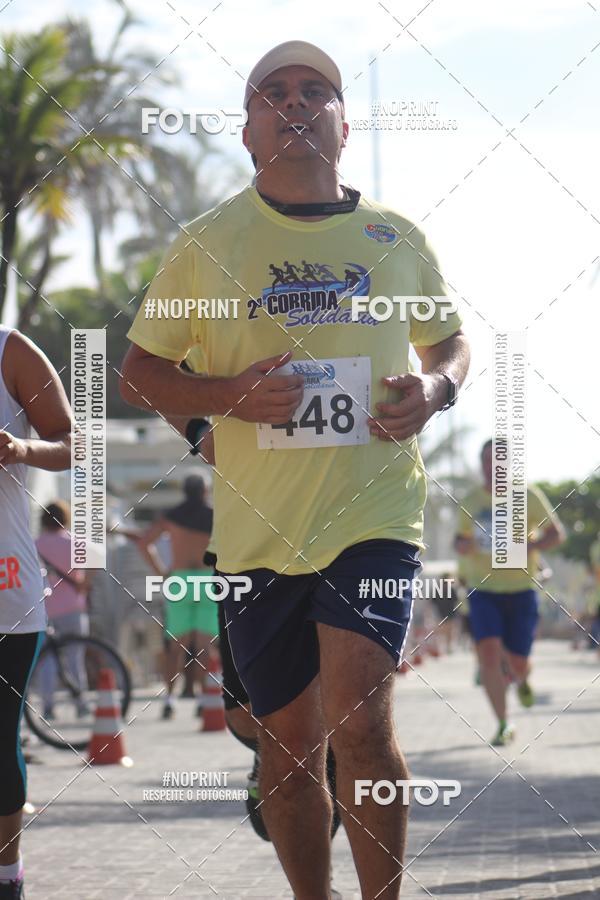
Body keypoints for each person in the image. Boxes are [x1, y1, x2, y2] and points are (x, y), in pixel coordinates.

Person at [120, 40, 470, 900]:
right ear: (247, 131)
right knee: (286, 747)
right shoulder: (208, 244)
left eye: (317, 90)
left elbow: (452, 343)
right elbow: (137, 371)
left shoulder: (393, 236)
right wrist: (226, 400)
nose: (296, 102)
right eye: (273, 92)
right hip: (258, 532)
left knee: (362, 722)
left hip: (374, 517)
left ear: (344, 127)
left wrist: (434, 389)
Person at [0, 327, 71, 900]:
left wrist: (22, 450)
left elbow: (74, 441)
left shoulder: (11, 350)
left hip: (6, 588)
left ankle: (6, 878)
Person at [455, 439, 565, 746]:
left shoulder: (527, 496)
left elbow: (556, 534)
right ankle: (503, 723)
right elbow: (459, 540)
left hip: (521, 588)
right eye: (488, 461)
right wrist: (462, 545)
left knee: (517, 662)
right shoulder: (471, 499)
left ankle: (523, 677)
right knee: (488, 653)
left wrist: (528, 546)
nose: (493, 468)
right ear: (481, 465)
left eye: (499, 462)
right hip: (483, 587)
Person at [136, 474, 217, 720]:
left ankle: (170, 698)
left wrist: (162, 572)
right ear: (205, 491)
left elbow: (143, 543)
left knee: (175, 647)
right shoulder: (215, 515)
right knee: (206, 646)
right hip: (206, 580)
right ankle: (205, 699)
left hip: (179, 580)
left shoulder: (171, 516)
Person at [35, 501, 91, 719]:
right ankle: (81, 702)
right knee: (76, 657)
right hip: (73, 608)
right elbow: (89, 571)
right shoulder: (76, 543)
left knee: (46, 660)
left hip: (45, 611)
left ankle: (48, 707)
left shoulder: (34, 545)